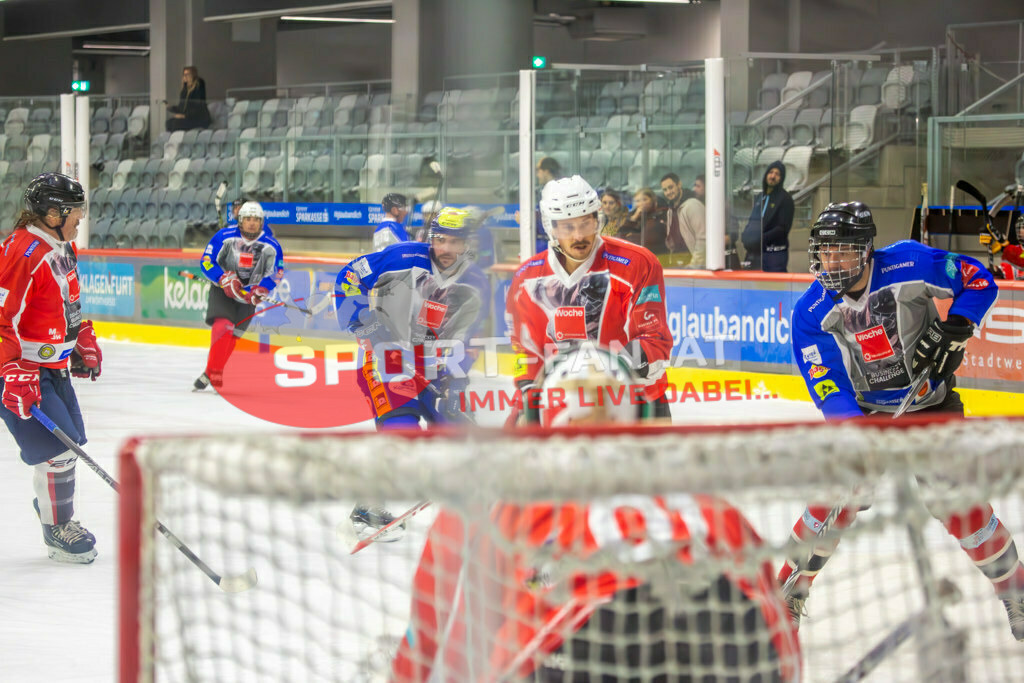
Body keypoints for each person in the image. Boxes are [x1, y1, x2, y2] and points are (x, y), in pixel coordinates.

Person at [390, 358, 801, 681]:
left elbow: (438, 638)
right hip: (730, 628)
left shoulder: (493, 499)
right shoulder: (705, 500)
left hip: (582, 638)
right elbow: (774, 624)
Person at [782, 201, 1024, 639]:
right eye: (825, 252)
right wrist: (859, 437)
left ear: (867, 250)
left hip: (931, 405)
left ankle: (1018, 592)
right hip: (867, 413)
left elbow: (979, 279)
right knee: (835, 500)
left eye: (844, 252)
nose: (832, 262)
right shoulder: (810, 311)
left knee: (961, 508)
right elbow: (829, 386)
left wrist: (960, 325)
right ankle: (786, 595)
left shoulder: (912, 262)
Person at [335, 206, 491, 538]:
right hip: (386, 364)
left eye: (455, 242)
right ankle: (367, 506)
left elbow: (472, 338)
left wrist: (456, 376)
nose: (446, 249)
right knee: (404, 439)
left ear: (468, 244)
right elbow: (348, 277)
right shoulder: (401, 255)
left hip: (434, 370)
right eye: (440, 240)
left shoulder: (476, 281)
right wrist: (363, 324)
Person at [506, 176, 673, 425]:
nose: (578, 236)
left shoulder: (637, 263)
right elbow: (525, 349)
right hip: (564, 404)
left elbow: (655, 339)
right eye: (567, 227)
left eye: (586, 223)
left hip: (637, 401)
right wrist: (528, 401)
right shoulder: (527, 278)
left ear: (598, 219)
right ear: (551, 227)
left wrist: (609, 371)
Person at [0, 172, 102, 563]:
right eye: (76, 210)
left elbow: (63, 304)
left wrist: (80, 340)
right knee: (59, 451)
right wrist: (11, 370)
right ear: (54, 213)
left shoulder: (60, 246)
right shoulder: (25, 252)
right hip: (21, 370)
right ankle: (57, 526)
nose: (81, 217)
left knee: (66, 447)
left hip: (50, 368)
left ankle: (51, 507)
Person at [193, 202, 284, 391]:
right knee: (222, 327)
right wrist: (222, 277)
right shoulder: (223, 236)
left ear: (261, 222)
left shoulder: (272, 245)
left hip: (248, 296)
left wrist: (262, 289)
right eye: (248, 219)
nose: (252, 223)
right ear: (240, 221)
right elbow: (206, 261)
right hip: (223, 290)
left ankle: (209, 372)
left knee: (233, 337)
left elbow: (276, 273)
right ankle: (216, 372)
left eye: (256, 220)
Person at [741, 161, 793, 272]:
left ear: (781, 178)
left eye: (777, 174)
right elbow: (752, 221)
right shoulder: (760, 197)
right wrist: (745, 236)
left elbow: (782, 229)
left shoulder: (785, 199)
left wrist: (760, 239)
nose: (773, 176)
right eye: (771, 172)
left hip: (774, 255)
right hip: (754, 253)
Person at [661, 173, 705, 268]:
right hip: (677, 264)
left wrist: (694, 266)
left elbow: (703, 238)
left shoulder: (693, 205)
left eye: (670, 187)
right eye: (665, 190)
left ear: (679, 184)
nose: (668, 192)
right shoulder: (670, 210)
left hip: (692, 267)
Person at [166, 66, 211, 132]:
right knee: (169, 123)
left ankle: (178, 140)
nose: (185, 76)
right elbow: (181, 107)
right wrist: (171, 108)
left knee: (177, 123)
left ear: (193, 75)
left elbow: (198, 106)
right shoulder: (185, 90)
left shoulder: (199, 84)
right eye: (184, 74)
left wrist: (184, 116)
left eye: (187, 74)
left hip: (198, 118)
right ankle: (174, 140)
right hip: (188, 117)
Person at [980, 214, 1024, 280]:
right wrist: (992, 272)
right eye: (1022, 227)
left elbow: (1020, 260)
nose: (1021, 230)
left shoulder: (1013, 252)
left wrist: (1003, 246)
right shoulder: (1015, 250)